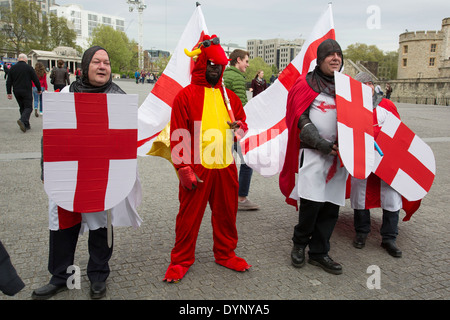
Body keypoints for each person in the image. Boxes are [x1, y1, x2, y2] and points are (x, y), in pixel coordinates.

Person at [32, 46, 142, 300]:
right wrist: (45, 168)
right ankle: (61, 277)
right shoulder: (66, 94)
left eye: (106, 62)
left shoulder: (119, 98)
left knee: (101, 228)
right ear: (85, 66)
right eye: (96, 62)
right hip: (68, 172)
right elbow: (50, 136)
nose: (102, 66)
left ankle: (98, 277)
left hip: (102, 175)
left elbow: (127, 141)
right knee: (63, 227)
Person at [163, 34, 251, 283]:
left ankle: (225, 253)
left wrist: (239, 128)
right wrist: (183, 168)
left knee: (226, 214)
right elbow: (178, 134)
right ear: (201, 64)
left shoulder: (230, 98)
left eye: (219, 66)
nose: (216, 70)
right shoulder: (185, 96)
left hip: (225, 165)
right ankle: (181, 259)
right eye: (211, 65)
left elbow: (243, 129)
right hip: (197, 167)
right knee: (188, 218)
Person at [280, 39, 347, 275]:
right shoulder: (305, 83)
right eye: (330, 54)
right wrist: (320, 144)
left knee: (330, 208)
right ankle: (299, 245)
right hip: (313, 155)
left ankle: (319, 252)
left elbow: (359, 118)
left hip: (339, 158)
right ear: (319, 59)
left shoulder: (347, 88)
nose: (335, 58)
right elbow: (299, 117)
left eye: (338, 54)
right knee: (311, 205)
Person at [350, 72, 403, 258]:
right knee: (360, 195)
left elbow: (399, 131)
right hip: (363, 159)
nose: (368, 86)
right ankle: (361, 232)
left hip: (385, 161)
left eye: (370, 83)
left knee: (391, 196)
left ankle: (389, 237)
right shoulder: (352, 108)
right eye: (363, 84)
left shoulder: (386, 105)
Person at [223, 49, 259, 211]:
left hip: (223, 126)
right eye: (246, 61)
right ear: (238, 60)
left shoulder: (225, 75)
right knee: (247, 160)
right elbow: (240, 106)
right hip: (235, 128)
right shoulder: (236, 78)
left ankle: (224, 196)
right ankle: (241, 197)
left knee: (224, 162)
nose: (248, 64)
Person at [6, 53, 41, 132]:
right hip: (26, 90)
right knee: (28, 107)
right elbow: (35, 79)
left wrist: (9, 92)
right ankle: (22, 120)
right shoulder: (29, 68)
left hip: (16, 90)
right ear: (26, 60)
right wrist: (39, 89)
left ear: (18, 59)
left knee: (22, 107)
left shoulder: (12, 68)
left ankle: (26, 124)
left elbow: (9, 81)